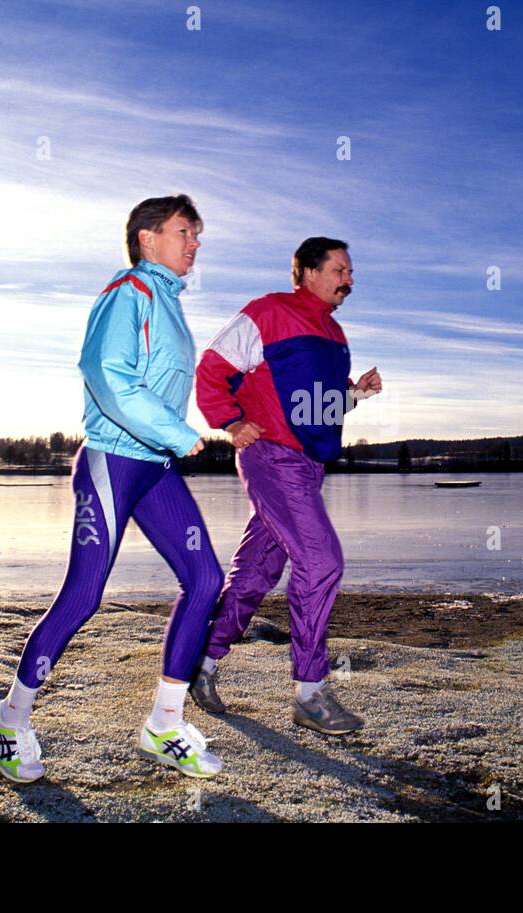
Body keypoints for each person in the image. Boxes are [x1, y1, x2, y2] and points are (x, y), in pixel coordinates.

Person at [0, 194, 225, 781]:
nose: (194, 243)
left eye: (197, 234)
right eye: (182, 232)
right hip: (113, 462)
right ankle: (9, 720)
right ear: (147, 237)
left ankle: (165, 722)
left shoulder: (167, 303)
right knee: (85, 594)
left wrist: (171, 438)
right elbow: (106, 375)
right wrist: (175, 430)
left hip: (155, 467)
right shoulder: (129, 294)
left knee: (206, 579)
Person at [191, 237, 382, 734]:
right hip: (271, 457)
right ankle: (310, 692)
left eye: (350, 269)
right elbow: (212, 369)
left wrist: (355, 394)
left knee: (256, 572)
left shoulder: (336, 335)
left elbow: (320, 407)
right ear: (308, 272)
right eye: (340, 268)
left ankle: (201, 663)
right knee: (321, 562)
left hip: (308, 466)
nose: (349, 278)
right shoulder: (268, 312)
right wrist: (231, 421)